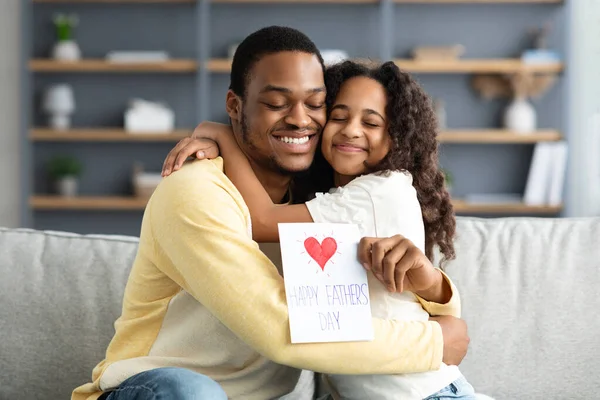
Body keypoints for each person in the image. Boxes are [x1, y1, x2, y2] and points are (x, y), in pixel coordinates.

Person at [72, 26, 469, 400]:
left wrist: (438, 294)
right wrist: (436, 343)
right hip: (160, 389)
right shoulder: (194, 192)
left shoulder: (315, 198)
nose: (299, 118)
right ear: (235, 105)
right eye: (277, 103)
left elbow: (371, 298)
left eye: (316, 105)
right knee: (191, 392)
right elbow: (280, 327)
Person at [162, 59, 476, 400]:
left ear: (397, 138)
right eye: (339, 117)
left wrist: (223, 134)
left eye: (371, 122)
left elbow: (261, 219)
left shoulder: (377, 192)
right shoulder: (334, 200)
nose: (351, 130)